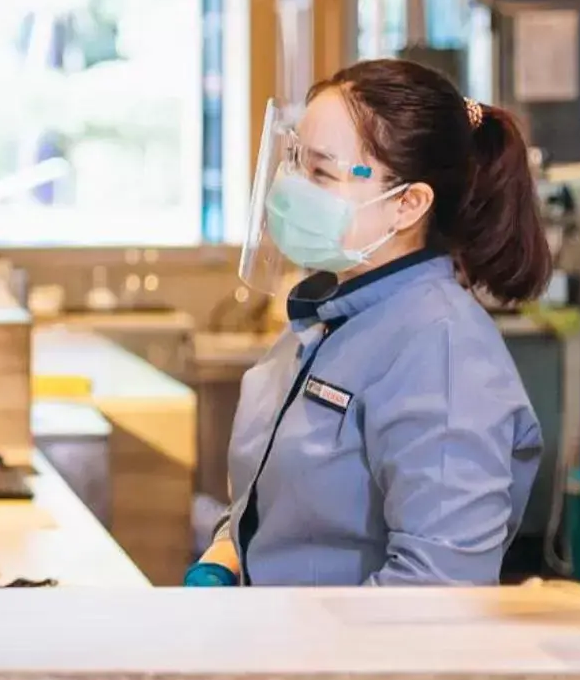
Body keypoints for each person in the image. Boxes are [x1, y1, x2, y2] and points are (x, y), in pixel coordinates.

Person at [188, 58, 549, 589]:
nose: (290, 190)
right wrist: (227, 552)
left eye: (321, 173)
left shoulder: (443, 351)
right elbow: (284, 502)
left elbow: (437, 592)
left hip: (343, 664)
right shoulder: (329, 318)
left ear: (409, 203)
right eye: (294, 163)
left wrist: (303, 659)